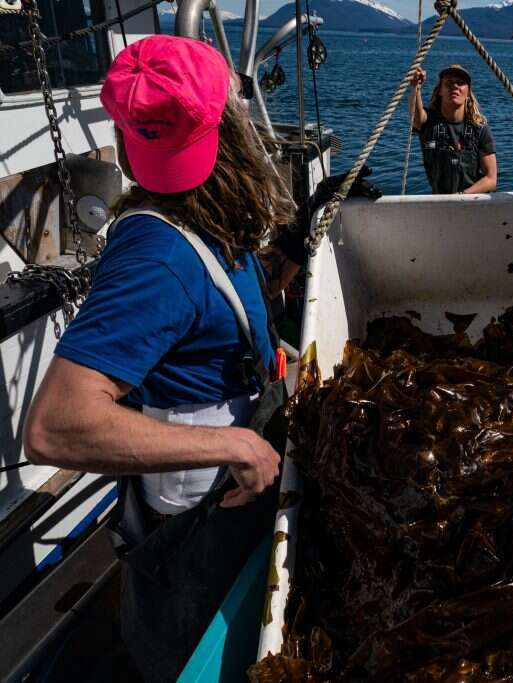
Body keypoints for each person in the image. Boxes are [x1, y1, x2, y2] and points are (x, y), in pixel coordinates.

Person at [24, 35, 294, 681]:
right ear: (233, 125)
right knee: (192, 645)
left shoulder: (202, 217)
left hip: (226, 488)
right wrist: (238, 447)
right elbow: (57, 424)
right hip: (199, 515)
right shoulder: (157, 256)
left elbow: (210, 314)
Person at [408, 63, 498, 194]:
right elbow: (415, 118)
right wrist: (416, 87)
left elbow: (491, 179)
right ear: (440, 91)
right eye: (449, 82)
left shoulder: (480, 129)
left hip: (473, 203)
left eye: (460, 83)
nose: (455, 86)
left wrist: (461, 197)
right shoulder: (428, 122)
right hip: (439, 202)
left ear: (468, 93)